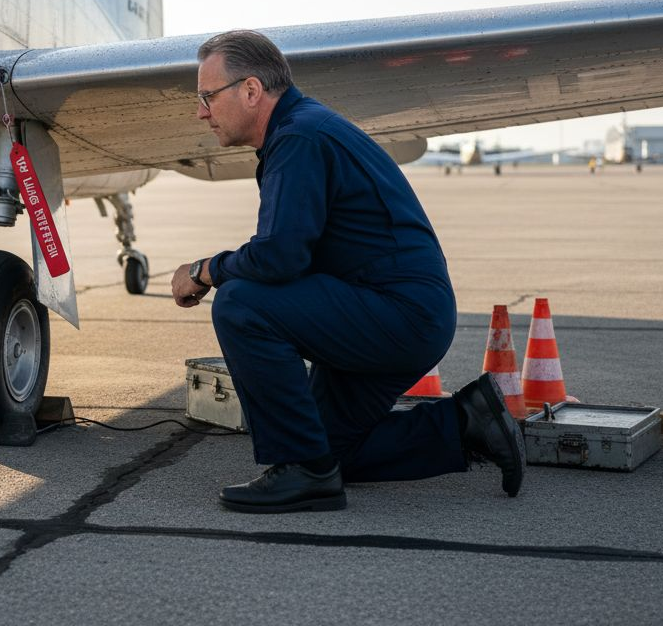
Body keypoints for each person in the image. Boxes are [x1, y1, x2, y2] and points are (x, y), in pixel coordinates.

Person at [171, 30, 525, 514]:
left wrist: (205, 270)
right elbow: (294, 253)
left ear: (251, 91)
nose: (201, 112)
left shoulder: (298, 137)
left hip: (396, 314)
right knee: (331, 451)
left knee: (241, 303)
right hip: (394, 312)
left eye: (207, 97)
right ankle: (468, 422)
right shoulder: (302, 130)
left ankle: (301, 472)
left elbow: (279, 257)